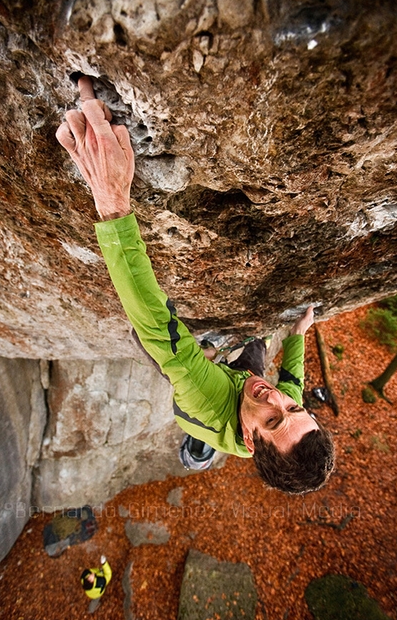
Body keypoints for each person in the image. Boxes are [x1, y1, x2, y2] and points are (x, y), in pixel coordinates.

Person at [56, 76, 335, 494]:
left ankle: (197, 438)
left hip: (207, 400)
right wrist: (296, 335)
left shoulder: (205, 396)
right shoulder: (277, 407)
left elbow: (156, 322)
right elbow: (290, 383)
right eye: (293, 408)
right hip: (233, 388)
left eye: (272, 419)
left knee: (154, 344)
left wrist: (112, 204)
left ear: (247, 438)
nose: (275, 398)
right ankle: (220, 370)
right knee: (256, 342)